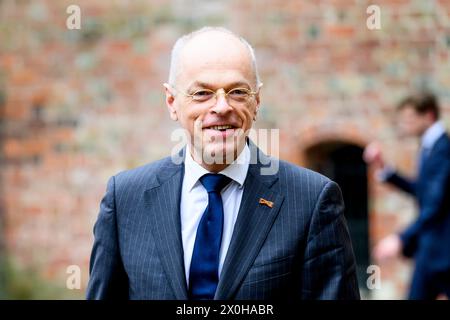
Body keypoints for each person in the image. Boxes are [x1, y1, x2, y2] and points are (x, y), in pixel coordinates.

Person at [86, 27, 360, 300]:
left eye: (238, 92)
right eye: (202, 93)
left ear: (257, 101)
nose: (222, 106)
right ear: (172, 101)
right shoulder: (124, 200)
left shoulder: (311, 201)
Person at [364, 93, 450, 300]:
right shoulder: (430, 147)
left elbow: (435, 205)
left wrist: (400, 238)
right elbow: (423, 191)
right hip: (432, 250)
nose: (406, 125)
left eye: (410, 119)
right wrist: (386, 170)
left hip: (441, 251)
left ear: (428, 115)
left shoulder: (443, 149)